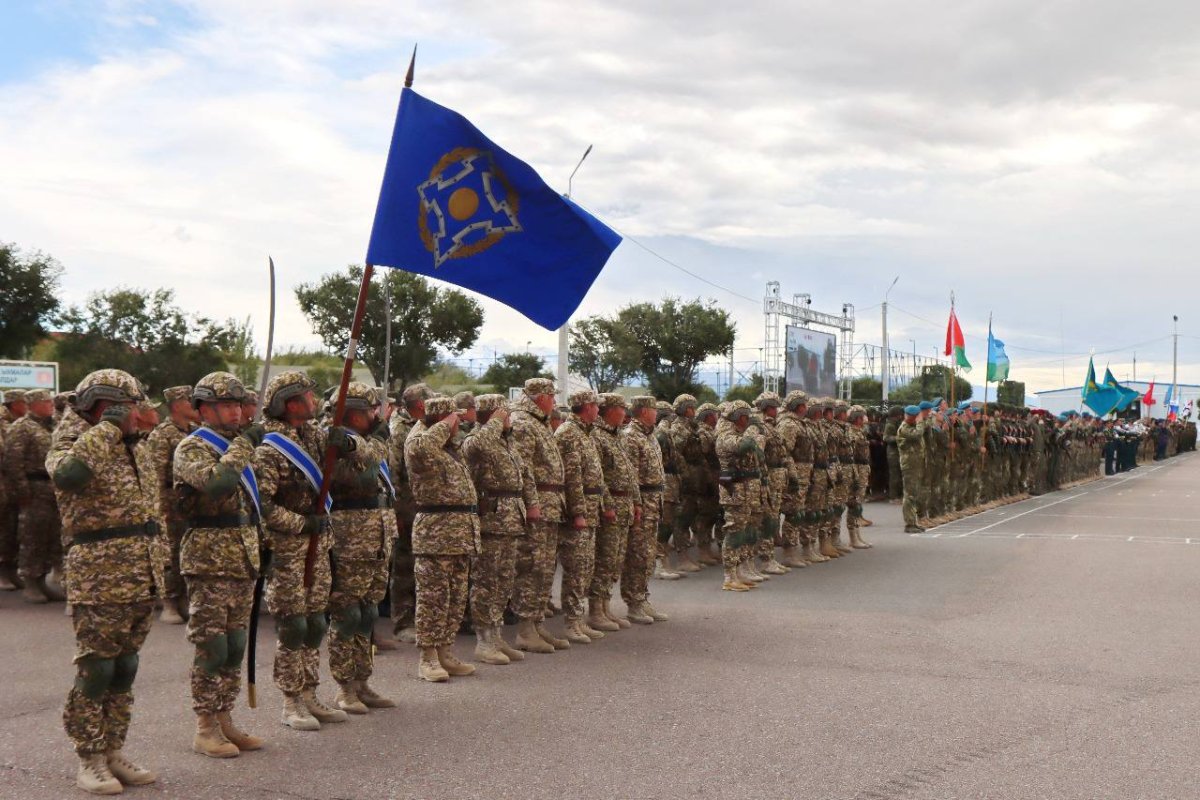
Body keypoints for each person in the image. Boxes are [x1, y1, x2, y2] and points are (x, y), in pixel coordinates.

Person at [47, 370, 158, 794]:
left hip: (140, 570)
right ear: (104, 406)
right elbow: (69, 476)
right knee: (97, 668)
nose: (139, 415)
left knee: (125, 667)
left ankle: (113, 749)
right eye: (131, 408)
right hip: (99, 573)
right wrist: (108, 429)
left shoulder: (135, 446)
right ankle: (89, 757)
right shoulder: (71, 440)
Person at [253, 371, 359, 730]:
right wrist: (300, 523)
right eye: (308, 396)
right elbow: (262, 505)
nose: (314, 401)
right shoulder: (269, 447)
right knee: (293, 626)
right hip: (288, 549)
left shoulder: (313, 435)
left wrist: (347, 445)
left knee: (315, 623)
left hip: (319, 543)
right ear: (290, 404)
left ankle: (311, 692)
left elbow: (349, 457)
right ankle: (291, 700)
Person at [172, 371, 265, 758]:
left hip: (241, 555)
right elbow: (217, 484)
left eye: (237, 404)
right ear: (204, 409)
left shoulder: (238, 445)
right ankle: (205, 726)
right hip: (208, 557)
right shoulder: (192, 447)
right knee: (212, 645)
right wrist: (244, 446)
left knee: (234, 644)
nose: (235, 412)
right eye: (225, 405)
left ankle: (226, 718)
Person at [324, 382, 397, 712]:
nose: (376, 416)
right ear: (353, 414)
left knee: (368, 612)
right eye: (370, 411)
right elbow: (364, 471)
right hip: (350, 536)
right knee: (348, 613)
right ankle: (344, 687)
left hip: (377, 534)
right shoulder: (336, 441)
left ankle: (362, 680)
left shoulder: (368, 441)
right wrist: (377, 439)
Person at [404, 396, 480, 682]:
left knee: (455, 598)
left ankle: (445, 651)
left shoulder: (450, 449)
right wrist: (444, 424)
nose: (458, 423)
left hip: (459, 533)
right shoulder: (419, 442)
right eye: (454, 419)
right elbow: (421, 449)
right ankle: (428, 658)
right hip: (435, 533)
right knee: (433, 599)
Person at [461, 393, 540, 664]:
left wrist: (532, 504)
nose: (509, 418)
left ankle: (496, 635)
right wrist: (494, 422)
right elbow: (477, 447)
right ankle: (484, 640)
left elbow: (524, 474)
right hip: (491, 520)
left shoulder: (507, 442)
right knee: (486, 581)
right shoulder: (476, 438)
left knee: (504, 579)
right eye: (505, 413)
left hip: (511, 518)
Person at [509, 378, 568, 652]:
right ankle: (525, 629)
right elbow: (523, 469)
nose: (554, 401)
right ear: (541, 397)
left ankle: (537, 623)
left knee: (545, 568)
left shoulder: (538, 421)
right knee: (531, 567)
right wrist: (532, 503)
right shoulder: (523, 423)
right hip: (538, 506)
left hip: (550, 505)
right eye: (552, 396)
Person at [554, 389, 610, 642]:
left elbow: (596, 476)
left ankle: (579, 618)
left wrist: (603, 504)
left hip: (591, 507)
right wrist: (577, 512)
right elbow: (572, 478)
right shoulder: (568, 433)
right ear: (586, 407)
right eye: (596, 406)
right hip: (579, 510)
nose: (599, 410)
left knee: (586, 566)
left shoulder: (585, 433)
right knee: (576, 568)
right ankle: (571, 622)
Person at [3, 388, 65, 603]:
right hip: (33, 487)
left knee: (51, 536)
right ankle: (30, 581)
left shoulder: (51, 426)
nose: (50, 405)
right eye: (46, 402)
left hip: (51, 487)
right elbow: (13, 462)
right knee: (32, 536)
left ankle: (42, 580)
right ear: (34, 405)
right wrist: (21, 491)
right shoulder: (22, 427)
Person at [146, 386, 200, 624]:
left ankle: (185, 597)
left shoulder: (197, 432)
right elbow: (155, 475)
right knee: (169, 552)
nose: (194, 405)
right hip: (169, 500)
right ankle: (169, 601)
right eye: (189, 401)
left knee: (188, 550)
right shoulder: (162, 434)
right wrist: (157, 508)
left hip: (191, 501)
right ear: (177, 405)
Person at [588, 393, 640, 632]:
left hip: (624, 503)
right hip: (612, 505)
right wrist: (607, 505)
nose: (625, 413)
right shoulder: (597, 436)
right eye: (621, 409)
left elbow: (629, 473)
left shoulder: (617, 435)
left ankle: (606, 606)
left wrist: (636, 502)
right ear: (609, 411)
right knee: (605, 559)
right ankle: (595, 610)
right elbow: (598, 477)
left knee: (616, 560)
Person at [386, 383, 432, 644]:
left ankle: (421, 618)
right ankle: (403, 621)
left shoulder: (424, 426)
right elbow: (393, 473)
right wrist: (397, 512)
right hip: (407, 507)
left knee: (422, 566)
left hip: (424, 506)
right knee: (404, 565)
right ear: (421, 404)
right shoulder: (400, 430)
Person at [620, 396, 667, 620]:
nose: (656, 413)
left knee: (648, 554)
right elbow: (632, 476)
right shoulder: (631, 436)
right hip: (642, 501)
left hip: (654, 501)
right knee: (637, 555)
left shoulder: (650, 436)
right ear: (644, 411)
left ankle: (642, 597)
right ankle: (634, 602)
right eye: (654, 409)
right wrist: (636, 503)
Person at [715, 400, 763, 591]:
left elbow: (758, 454)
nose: (748, 420)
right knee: (734, 532)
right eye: (745, 417)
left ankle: (738, 571)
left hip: (746, 489)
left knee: (743, 531)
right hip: (733, 490)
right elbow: (744, 446)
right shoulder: (725, 436)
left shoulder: (740, 434)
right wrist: (753, 429)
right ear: (737, 417)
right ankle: (729, 576)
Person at [0, 389, 28, 591]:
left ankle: (10, 570)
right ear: (15, 404)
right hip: (4, 482)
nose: (26, 406)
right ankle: (3, 572)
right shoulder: (3, 422)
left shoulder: (17, 422)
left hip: (10, 482)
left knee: (12, 528)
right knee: (4, 528)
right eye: (23, 402)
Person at [845, 405, 873, 549]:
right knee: (854, 504)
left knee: (857, 504)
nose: (864, 420)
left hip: (862, 469)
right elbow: (851, 456)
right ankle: (853, 537)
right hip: (856, 469)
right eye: (862, 417)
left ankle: (857, 535)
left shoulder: (859, 431)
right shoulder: (852, 433)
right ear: (857, 419)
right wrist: (855, 475)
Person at [896, 406, 927, 533]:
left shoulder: (912, 426)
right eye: (916, 417)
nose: (917, 419)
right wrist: (920, 422)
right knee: (909, 495)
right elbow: (918, 435)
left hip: (916, 465)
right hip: (909, 466)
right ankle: (909, 524)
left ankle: (913, 522)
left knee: (914, 494)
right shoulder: (904, 428)